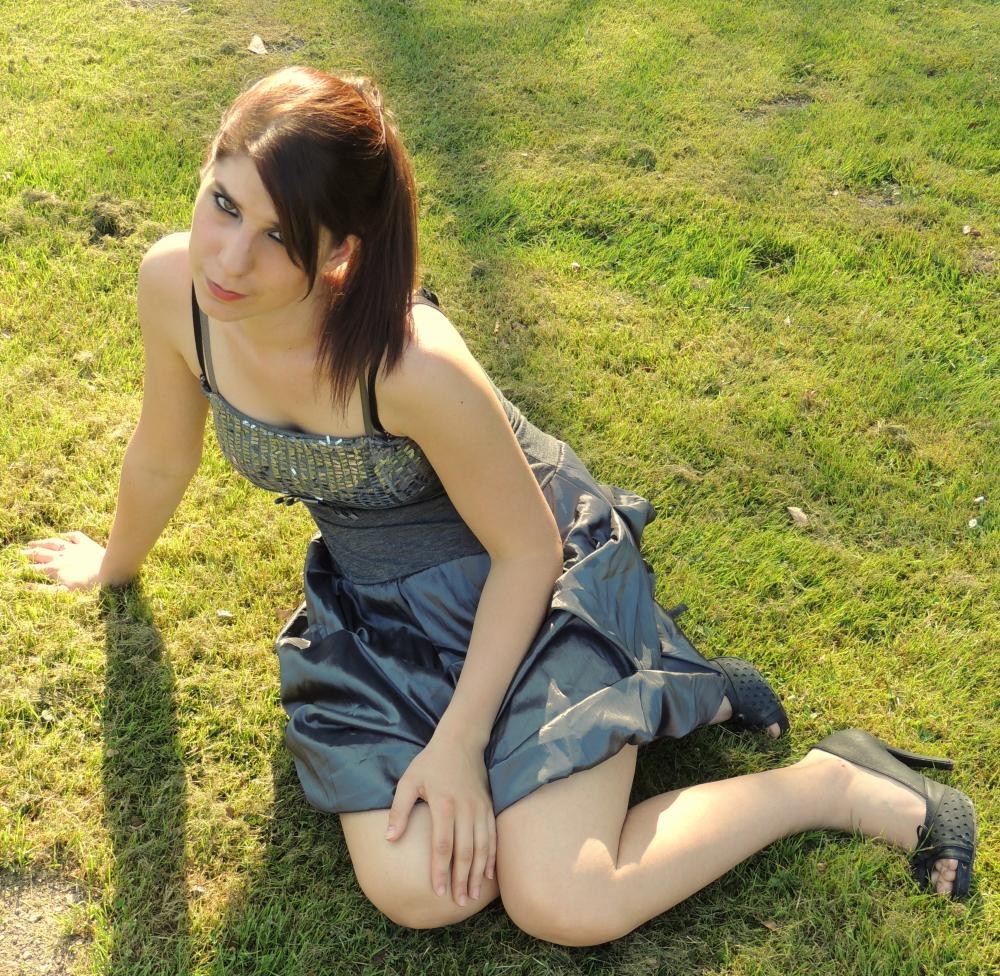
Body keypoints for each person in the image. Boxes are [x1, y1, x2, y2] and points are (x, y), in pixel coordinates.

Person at [24, 67, 975, 943]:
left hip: (529, 588)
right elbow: (164, 452)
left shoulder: (410, 364)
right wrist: (113, 563)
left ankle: (827, 782)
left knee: (563, 900)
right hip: (382, 618)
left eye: (278, 237)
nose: (229, 257)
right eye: (224, 203)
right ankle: (671, 698)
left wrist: (458, 744)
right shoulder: (175, 287)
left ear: (343, 252)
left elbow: (529, 551)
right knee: (425, 890)